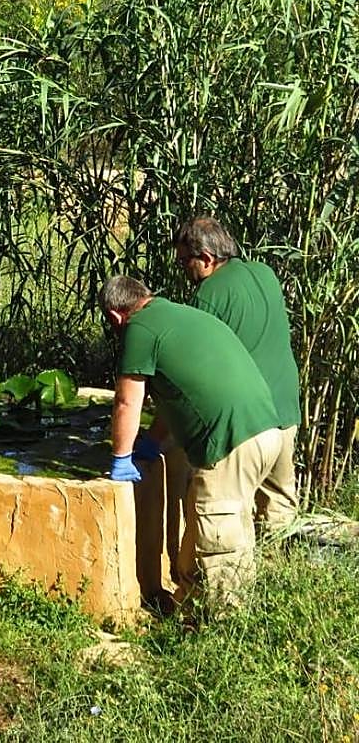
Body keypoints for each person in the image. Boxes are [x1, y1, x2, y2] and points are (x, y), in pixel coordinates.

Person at [100, 275, 282, 612]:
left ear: (115, 317)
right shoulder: (180, 315)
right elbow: (180, 392)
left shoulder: (138, 328)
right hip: (267, 431)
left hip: (229, 440)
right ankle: (190, 608)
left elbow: (127, 401)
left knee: (216, 537)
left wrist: (121, 457)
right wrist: (152, 441)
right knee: (229, 527)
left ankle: (221, 626)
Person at [172, 216, 301, 529]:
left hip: (248, 422)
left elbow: (195, 367)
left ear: (205, 258)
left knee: (230, 506)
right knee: (280, 501)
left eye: (183, 262)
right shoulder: (265, 272)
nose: (182, 270)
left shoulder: (208, 295)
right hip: (285, 407)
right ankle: (280, 569)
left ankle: (241, 575)